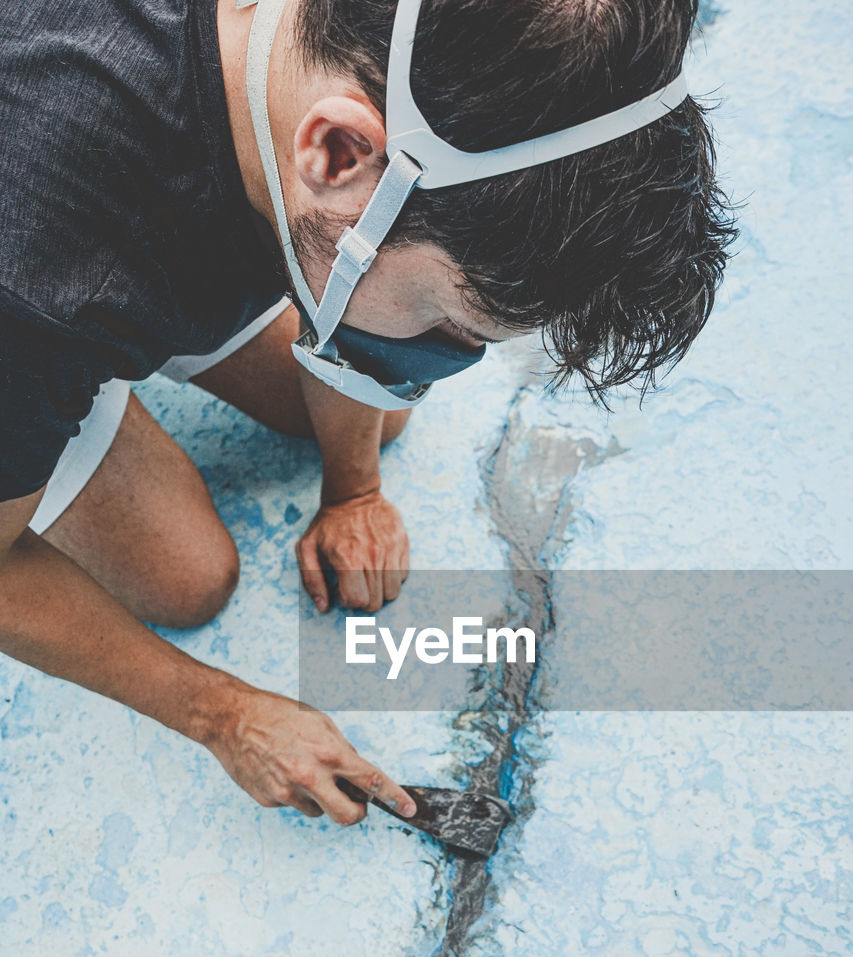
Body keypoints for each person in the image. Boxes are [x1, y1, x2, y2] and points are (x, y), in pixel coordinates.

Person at [0, 0, 735, 824]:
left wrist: (353, 490)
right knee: (185, 576)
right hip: (47, 292)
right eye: (451, 328)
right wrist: (226, 715)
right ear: (339, 153)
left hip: (127, 245)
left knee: (373, 417)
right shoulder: (38, 283)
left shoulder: (345, 60)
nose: (450, 356)